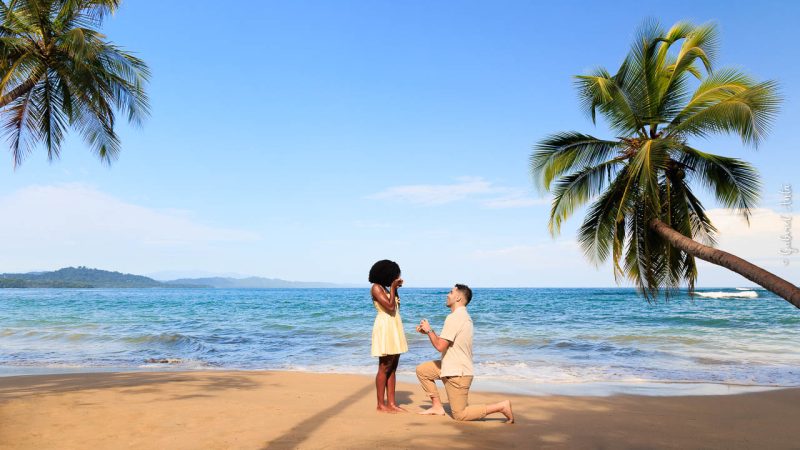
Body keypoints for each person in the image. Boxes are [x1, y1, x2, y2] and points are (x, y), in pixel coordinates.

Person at [415, 284, 514, 423]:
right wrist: (428, 332)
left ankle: (501, 407)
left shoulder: (455, 317)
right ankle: (437, 407)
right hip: (449, 367)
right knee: (423, 371)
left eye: (451, 292)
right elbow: (445, 342)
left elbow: (440, 346)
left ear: (458, 298)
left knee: (460, 415)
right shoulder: (462, 316)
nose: (447, 295)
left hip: (458, 374)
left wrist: (429, 330)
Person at [369, 259, 409, 413]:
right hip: (385, 327)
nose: (397, 277)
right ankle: (380, 404)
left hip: (394, 325)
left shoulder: (385, 288)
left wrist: (394, 289)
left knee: (393, 367)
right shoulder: (376, 288)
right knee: (384, 366)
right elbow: (390, 307)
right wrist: (393, 287)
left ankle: (391, 403)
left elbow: (395, 305)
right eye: (395, 275)